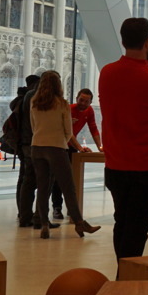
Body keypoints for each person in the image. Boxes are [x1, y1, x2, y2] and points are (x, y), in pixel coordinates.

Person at [98, 18, 148, 263]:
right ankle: (125, 280)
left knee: (122, 221)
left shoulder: (107, 73)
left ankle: (123, 274)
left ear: (122, 41)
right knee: (137, 226)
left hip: (116, 164)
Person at [29, 70, 101, 240]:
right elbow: (68, 132)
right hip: (56, 148)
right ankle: (79, 223)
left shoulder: (34, 101)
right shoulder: (62, 103)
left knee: (42, 187)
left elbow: (33, 127)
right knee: (68, 187)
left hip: (37, 147)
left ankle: (44, 224)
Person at [50, 87, 102, 219]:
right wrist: (80, 147)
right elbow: (68, 133)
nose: (83, 103)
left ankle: (71, 209)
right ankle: (57, 207)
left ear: (90, 103)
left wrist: (100, 147)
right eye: (81, 100)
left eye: (86, 101)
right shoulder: (68, 109)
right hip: (60, 145)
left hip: (71, 147)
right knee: (58, 179)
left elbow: (93, 128)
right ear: (76, 99)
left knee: (72, 179)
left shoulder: (89, 111)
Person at [12, 74, 53, 229]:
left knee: (26, 180)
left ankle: (25, 216)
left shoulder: (27, 96)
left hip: (25, 142)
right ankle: (39, 218)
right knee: (40, 181)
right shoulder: (36, 96)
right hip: (35, 143)